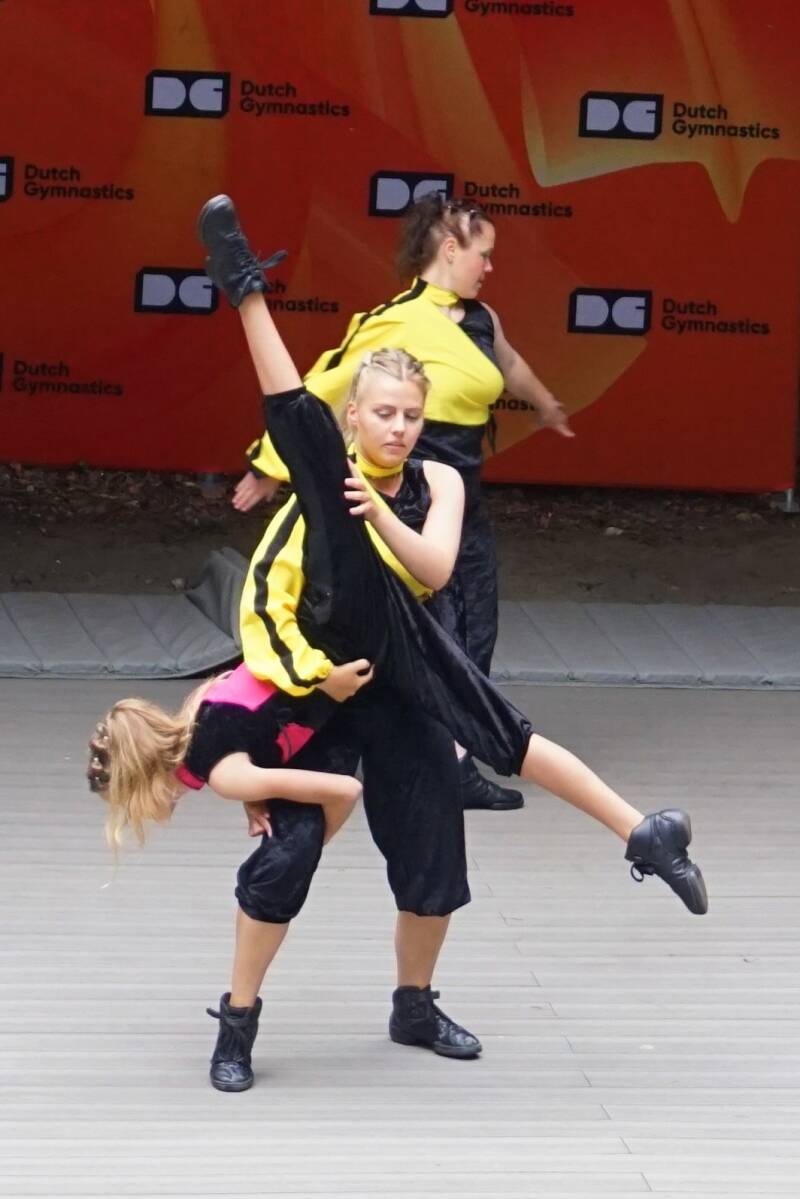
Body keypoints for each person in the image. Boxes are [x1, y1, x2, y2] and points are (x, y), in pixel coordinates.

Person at [186, 195, 708, 1092]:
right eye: (383, 413)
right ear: (355, 417)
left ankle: (420, 1000)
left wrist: (377, 508)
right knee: (286, 855)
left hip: (405, 668)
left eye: (410, 415)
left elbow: (432, 568)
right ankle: (237, 1020)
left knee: (442, 841)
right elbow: (287, 404)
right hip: (322, 687)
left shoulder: (437, 480)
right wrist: (248, 294)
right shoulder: (326, 471)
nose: (397, 427)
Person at [233, 194, 571, 812]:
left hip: (460, 499)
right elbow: (325, 384)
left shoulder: (483, 319)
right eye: (484, 254)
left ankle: (455, 753)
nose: (490, 267)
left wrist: (545, 402)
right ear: (451, 249)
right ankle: (424, 755)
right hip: (404, 499)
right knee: (428, 631)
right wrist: (268, 463)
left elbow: (510, 363)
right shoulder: (396, 320)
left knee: (477, 627)